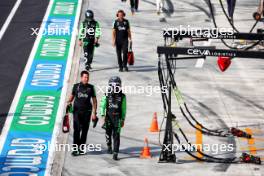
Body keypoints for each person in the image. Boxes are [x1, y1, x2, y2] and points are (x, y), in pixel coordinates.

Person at [67, 70, 97, 156]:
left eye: (87, 77)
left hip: (87, 112)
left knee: (84, 131)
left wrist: (94, 113)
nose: (86, 79)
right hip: (76, 112)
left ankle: (81, 149)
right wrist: (68, 103)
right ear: (81, 77)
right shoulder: (76, 87)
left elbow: (94, 101)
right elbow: (71, 98)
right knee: (76, 130)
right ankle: (75, 149)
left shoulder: (91, 88)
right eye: (85, 77)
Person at [100, 76, 127, 160]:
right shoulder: (106, 95)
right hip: (108, 118)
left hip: (117, 119)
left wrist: (122, 119)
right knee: (108, 133)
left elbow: (124, 109)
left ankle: (115, 153)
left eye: (117, 86)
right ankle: (109, 146)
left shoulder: (122, 96)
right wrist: (102, 115)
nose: (115, 87)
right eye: (113, 86)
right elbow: (102, 106)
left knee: (116, 136)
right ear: (110, 86)